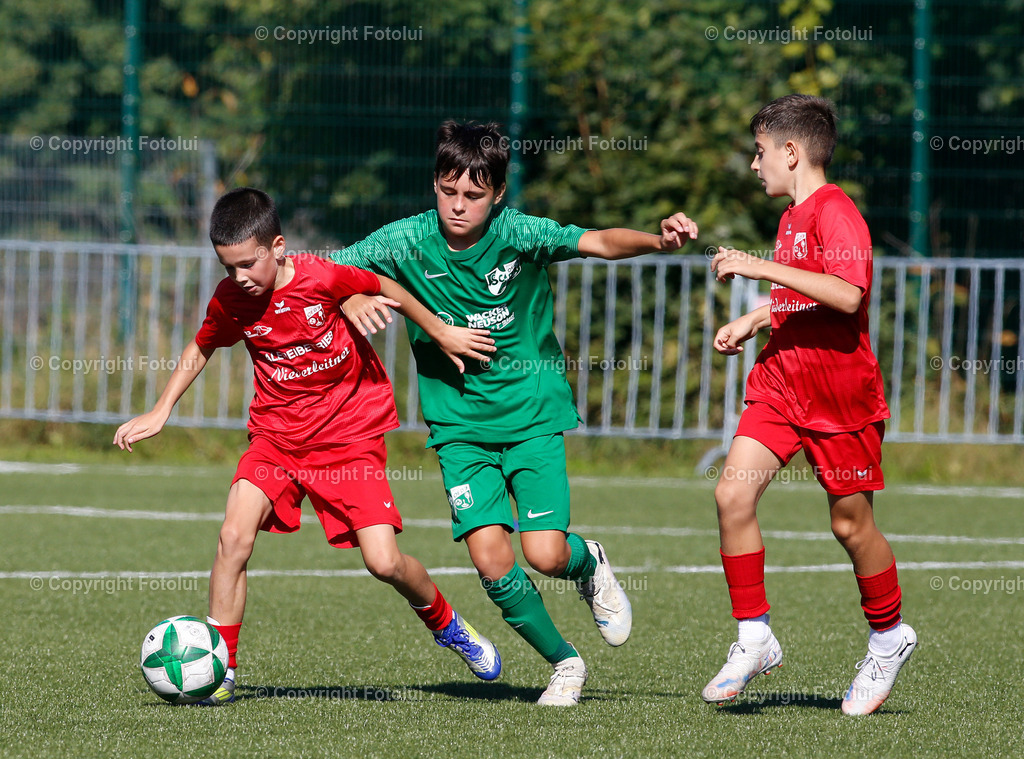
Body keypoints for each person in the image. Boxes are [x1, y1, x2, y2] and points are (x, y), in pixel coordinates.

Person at [331, 121, 699, 705]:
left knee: (545, 553)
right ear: (434, 183)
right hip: (458, 427)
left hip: (530, 415)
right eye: (448, 191)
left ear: (498, 194)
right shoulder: (404, 240)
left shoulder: (520, 233)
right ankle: (565, 664)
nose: (458, 206)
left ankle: (589, 564)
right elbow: (327, 269)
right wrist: (349, 293)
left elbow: (599, 241)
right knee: (490, 560)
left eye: (474, 196)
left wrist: (658, 242)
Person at [114, 187, 502, 705]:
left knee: (384, 562)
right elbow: (202, 344)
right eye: (228, 268)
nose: (239, 278)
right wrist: (161, 410)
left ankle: (448, 624)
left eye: (248, 264)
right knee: (233, 537)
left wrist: (440, 331)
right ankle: (221, 666)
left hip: (348, 437)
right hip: (276, 437)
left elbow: (384, 283)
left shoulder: (322, 275)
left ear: (278, 246)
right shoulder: (233, 298)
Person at [706, 95, 916, 716]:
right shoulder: (795, 216)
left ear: (791, 152)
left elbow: (848, 295)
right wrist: (757, 316)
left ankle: (889, 635)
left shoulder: (836, 211)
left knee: (850, 526)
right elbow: (809, 297)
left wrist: (758, 267)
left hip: (839, 397)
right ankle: (754, 635)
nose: (754, 165)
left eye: (761, 151)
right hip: (780, 382)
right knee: (731, 495)